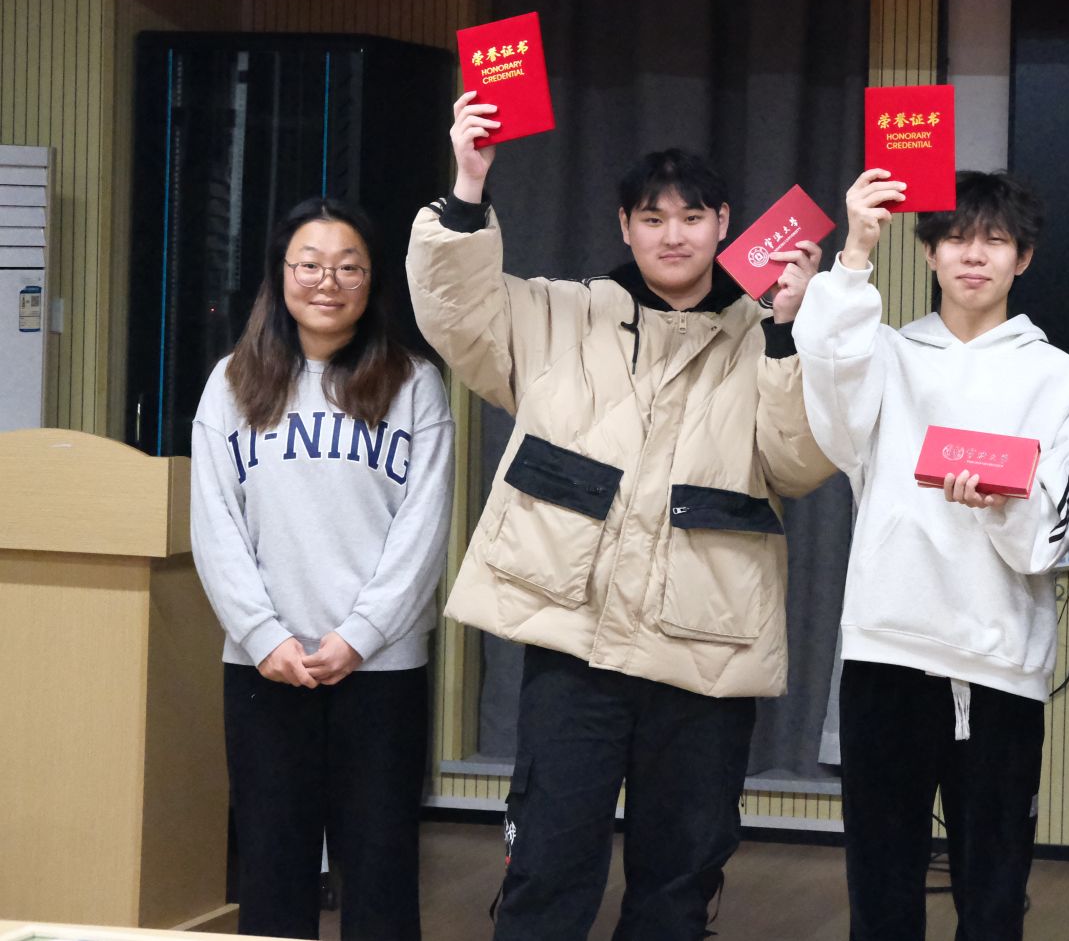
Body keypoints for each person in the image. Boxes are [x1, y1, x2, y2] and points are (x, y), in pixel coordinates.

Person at [406, 92, 836, 940]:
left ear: (725, 224)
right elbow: (455, 312)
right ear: (625, 226)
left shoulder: (771, 336)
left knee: (679, 882)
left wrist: (789, 334)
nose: (673, 234)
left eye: (692, 216)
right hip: (577, 646)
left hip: (705, 649)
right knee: (545, 867)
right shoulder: (559, 313)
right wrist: (467, 185)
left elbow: (797, 463)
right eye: (652, 217)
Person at [794, 167, 1069, 941]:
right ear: (929, 251)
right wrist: (855, 252)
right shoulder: (886, 355)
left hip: (1000, 666)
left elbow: (1050, 541)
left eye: (995, 240)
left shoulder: (1063, 380)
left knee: (993, 896)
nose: (974, 254)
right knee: (881, 890)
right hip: (886, 651)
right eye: (957, 237)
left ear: (1022, 258)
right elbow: (830, 403)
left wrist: (1002, 504)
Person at [190, 196, 453, 940]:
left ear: (373, 281)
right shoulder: (231, 383)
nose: (327, 282)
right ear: (281, 275)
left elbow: (424, 528)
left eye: (348, 267)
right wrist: (263, 634)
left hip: (381, 669)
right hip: (265, 668)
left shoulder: (414, 383)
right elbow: (214, 524)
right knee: (272, 871)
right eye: (309, 264)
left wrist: (361, 634)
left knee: (381, 872)